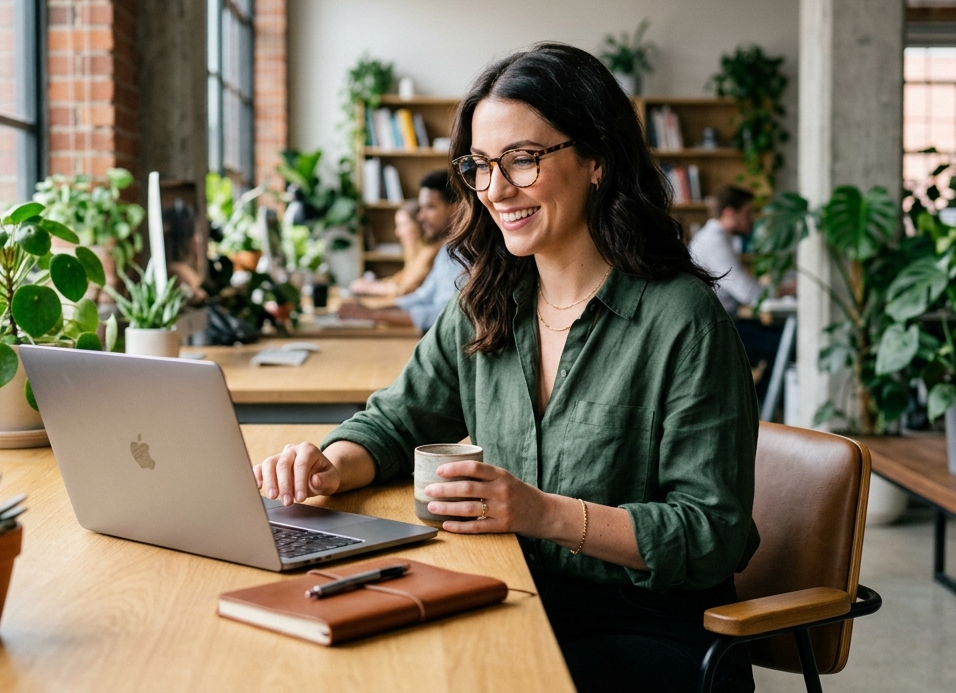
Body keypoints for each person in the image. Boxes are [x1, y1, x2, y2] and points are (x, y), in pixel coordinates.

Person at [255, 43, 757, 693]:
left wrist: (544, 514)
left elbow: (712, 532)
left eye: (522, 159)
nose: (495, 189)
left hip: (647, 628)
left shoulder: (681, 319)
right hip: (514, 594)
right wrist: (330, 462)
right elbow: (398, 416)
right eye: (480, 165)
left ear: (598, 157)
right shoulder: (487, 299)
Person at [689, 186, 786, 397]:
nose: (751, 220)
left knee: (782, 340)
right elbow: (748, 294)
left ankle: (761, 409)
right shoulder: (714, 241)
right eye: (747, 213)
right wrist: (785, 289)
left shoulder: (721, 238)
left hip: (723, 324)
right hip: (715, 333)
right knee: (785, 343)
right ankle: (761, 413)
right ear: (729, 212)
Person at [336, 172, 461, 331]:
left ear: (455, 208)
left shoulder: (463, 254)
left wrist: (374, 315)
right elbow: (422, 297)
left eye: (430, 207)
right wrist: (371, 311)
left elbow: (444, 314)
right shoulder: (447, 250)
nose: (421, 217)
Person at [348, 197, 441, 297]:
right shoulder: (412, 249)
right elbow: (404, 277)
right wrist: (376, 283)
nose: (397, 232)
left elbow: (405, 288)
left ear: (419, 224)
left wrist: (371, 288)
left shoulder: (430, 251)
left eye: (403, 225)